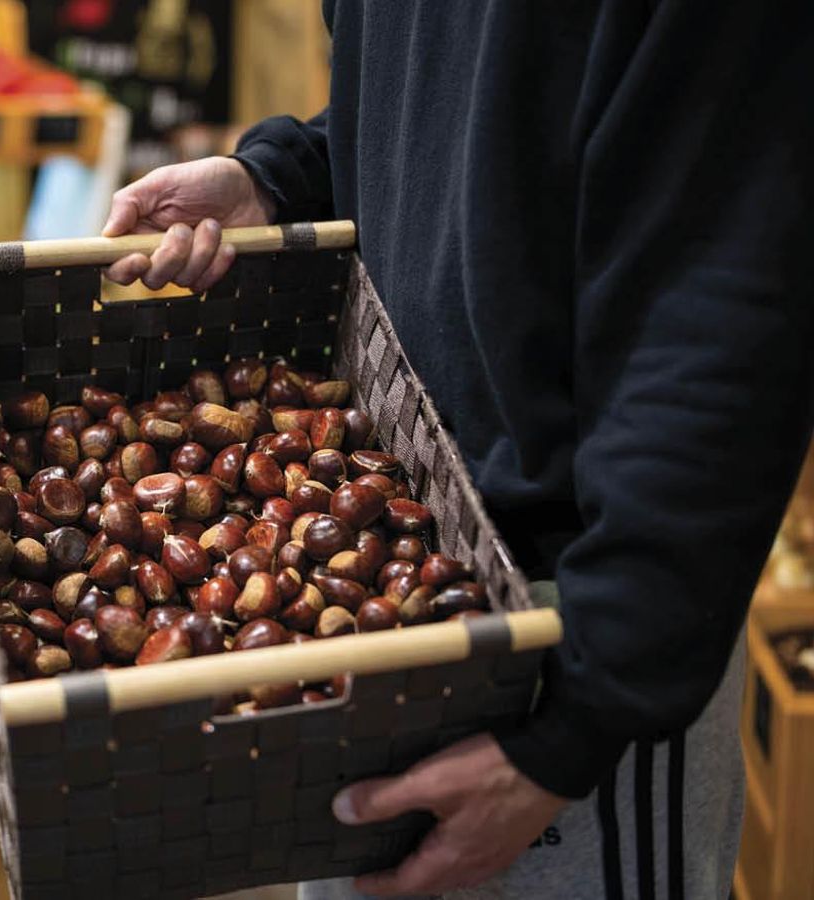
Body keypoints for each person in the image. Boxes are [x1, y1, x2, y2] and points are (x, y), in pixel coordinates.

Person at [102, 2, 814, 898]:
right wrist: (281, 179)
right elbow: (450, 121)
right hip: (379, 600)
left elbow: (724, 315)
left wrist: (577, 724)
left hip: (556, 643)